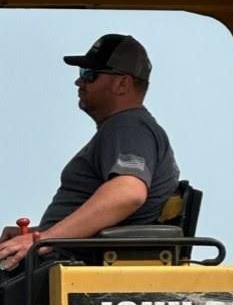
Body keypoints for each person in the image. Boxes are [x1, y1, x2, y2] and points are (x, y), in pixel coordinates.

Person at [0, 33, 180, 273]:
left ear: (122, 84)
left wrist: (41, 240)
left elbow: (128, 192)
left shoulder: (128, 127)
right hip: (59, 263)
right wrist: (37, 234)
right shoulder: (122, 129)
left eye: (89, 74)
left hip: (64, 268)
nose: (79, 82)